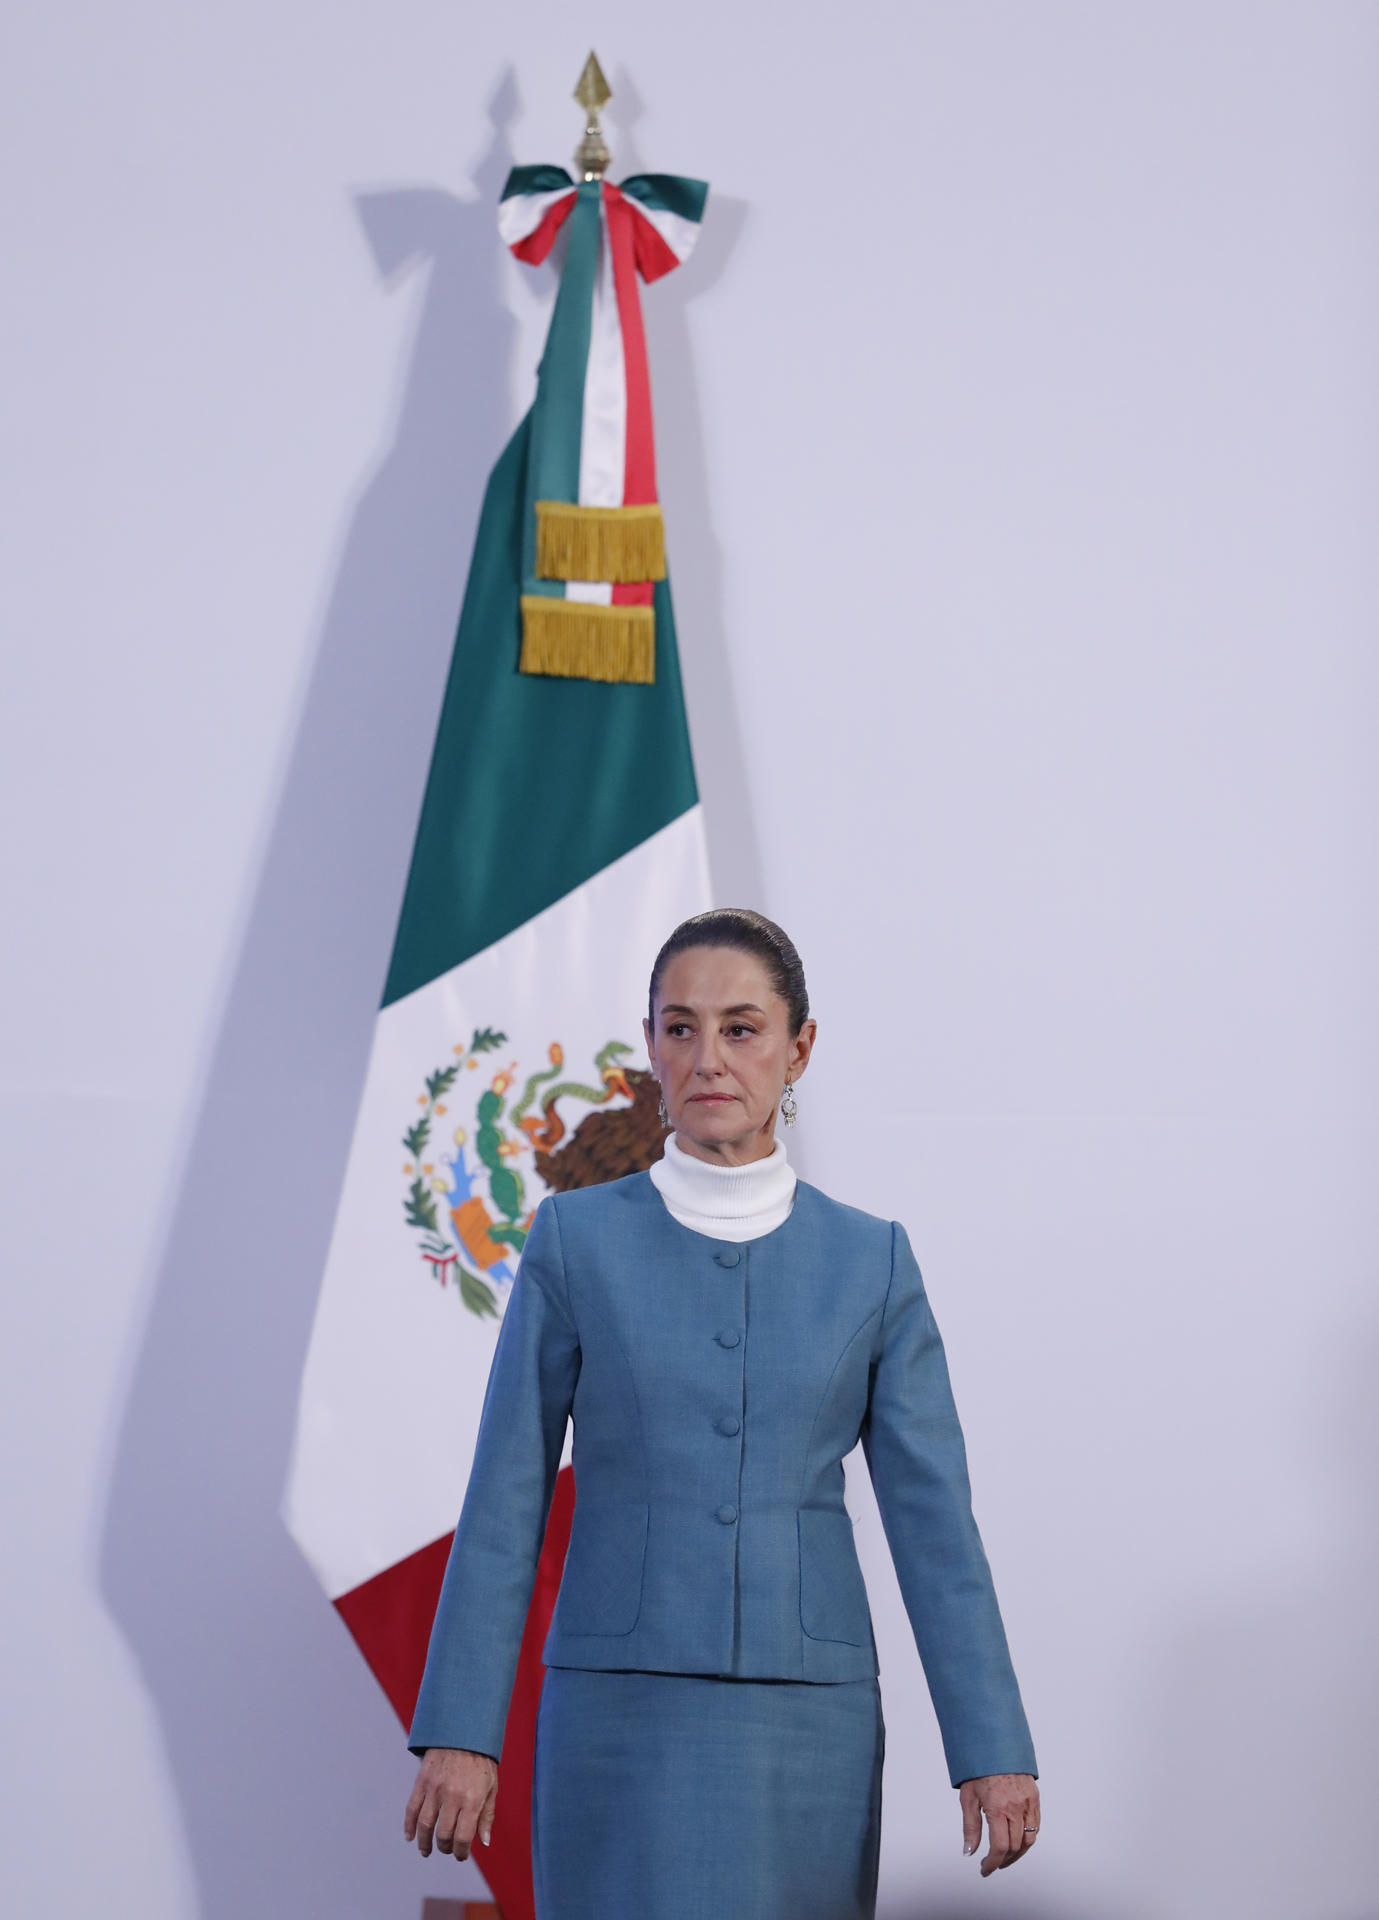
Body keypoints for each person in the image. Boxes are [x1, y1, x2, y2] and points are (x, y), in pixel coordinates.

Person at [404, 909, 1040, 1917]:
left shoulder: (870, 1261)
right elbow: (504, 1498)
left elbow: (935, 1531)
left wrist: (990, 1747)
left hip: (806, 1722)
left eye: (740, 1029)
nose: (708, 1058)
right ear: (650, 1044)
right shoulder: (573, 1242)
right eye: (679, 1027)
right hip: (617, 1712)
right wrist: (460, 1728)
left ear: (799, 1049)